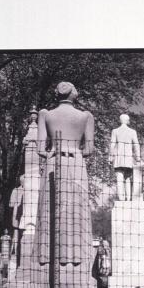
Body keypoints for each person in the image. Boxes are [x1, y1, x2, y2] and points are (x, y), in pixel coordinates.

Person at [33, 82, 94, 265]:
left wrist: (53, 152)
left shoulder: (46, 114)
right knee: (76, 209)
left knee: (50, 206)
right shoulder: (85, 116)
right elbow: (89, 149)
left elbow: (39, 148)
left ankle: (47, 256)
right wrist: (74, 152)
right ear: (74, 94)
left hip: (53, 162)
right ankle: (77, 256)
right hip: (76, 164)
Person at [109, 114, 141, 201]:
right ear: (127, 121)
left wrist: (111, 157)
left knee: (119, 177)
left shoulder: (115, 131)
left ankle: (121, 199)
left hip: (119, 157)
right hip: (128, 157)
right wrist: (138, 157)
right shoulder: (132, 131)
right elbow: (136, 144)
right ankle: (128, 198)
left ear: (120, 120)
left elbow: (112, 144)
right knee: (127, 178)